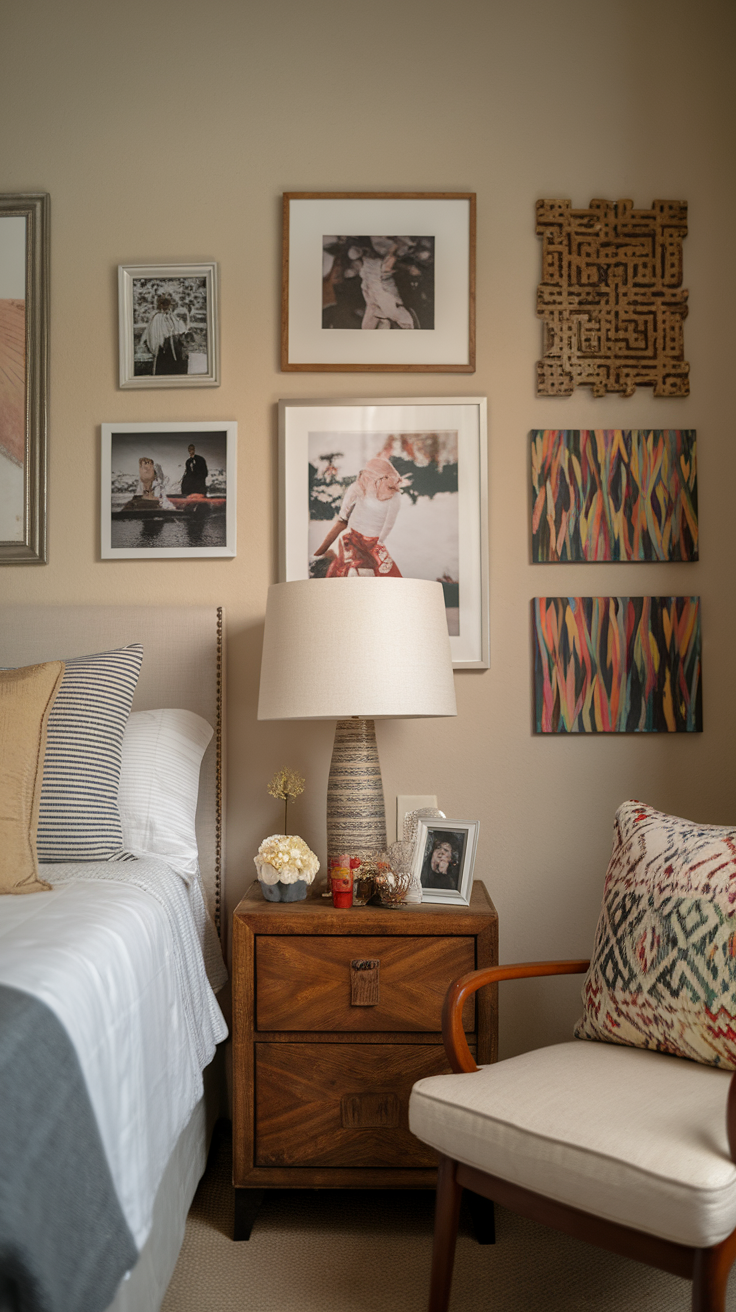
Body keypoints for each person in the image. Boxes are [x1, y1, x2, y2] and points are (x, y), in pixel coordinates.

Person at [312, 456, 407, 577]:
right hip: (353, 538)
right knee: (349, 568)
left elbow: (388, 525)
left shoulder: (395, 497)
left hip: (374, 544)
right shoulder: (358, 487)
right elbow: (343, 519)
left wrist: (377, 543)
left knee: (386, 574)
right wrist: (320, 552)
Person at [350, 240, 415, 330]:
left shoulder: (380, 273)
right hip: (376, 296)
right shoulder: (368, 269)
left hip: (380, 295)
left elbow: (386, 269)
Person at [138, 294, 190, 375]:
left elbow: (181, 330)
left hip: (173, 350)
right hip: (163, 351)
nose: (167, 307)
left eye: (168, 305)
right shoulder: (157, 318)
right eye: (164, 304)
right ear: (160, 305)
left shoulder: (172, 317)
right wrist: (157, 347)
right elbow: (153, 335)